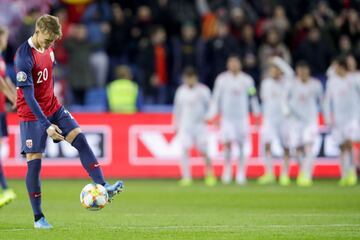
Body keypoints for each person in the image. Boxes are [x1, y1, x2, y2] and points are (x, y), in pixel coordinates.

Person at [14, 14, 123, 229]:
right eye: (47, 40)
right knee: (34, 162)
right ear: (38, 31)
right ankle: (38, 218)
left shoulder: (50, 50)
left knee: (80, 139)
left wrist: (55, 107)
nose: (50, 44)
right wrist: (47, 126)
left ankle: (103, 186)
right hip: (32, 115)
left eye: (53, 40)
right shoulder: (23, 56)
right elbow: (29, 96)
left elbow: (48, 82)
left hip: (54, 107)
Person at [207, 55, 260, 185]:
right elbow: (216, 98)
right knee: (226, 145)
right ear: (228, 64)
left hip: (242, 117)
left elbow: (252, 97)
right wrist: (213, 114)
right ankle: (227, 171)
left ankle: (241, 173)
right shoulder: (221, 79)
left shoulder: (247, 80)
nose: (234, 65)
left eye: (236, 63)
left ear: (240, 64)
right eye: (231, 63)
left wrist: (257, 113)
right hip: (227, 118)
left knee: (242, 145)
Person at [173, 67, 216, 187]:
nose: (189, 80)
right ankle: (186, 177)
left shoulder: (203, 90)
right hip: (186, 126)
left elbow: (212, 106)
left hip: (200, 127)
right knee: (185, 150)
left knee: (204, 151)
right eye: (187, 78)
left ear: (196, 78)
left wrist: (208, 116)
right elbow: (177, 109)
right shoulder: (181, 91)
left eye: (191, 78)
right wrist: (175, 125)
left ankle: (209, 174)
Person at [257, 57, 294, 186]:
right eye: (272, 69)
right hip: (269, 119)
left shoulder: (287, 82)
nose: (274, 72)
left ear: (280, 71)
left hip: (284, 120)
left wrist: (277, 61)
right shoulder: (266, 83)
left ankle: (285, 174)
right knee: (266, 145)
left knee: (286, 147)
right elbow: (264, 100)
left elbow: (290, 73)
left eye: (276, 69)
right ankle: (269, 173)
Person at [287, 61, 323, 186]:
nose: (302, 73)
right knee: (295, 149)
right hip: (295, 122)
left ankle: (307, 175)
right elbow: (284, 99)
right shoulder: (292, 85)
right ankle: (303, 170)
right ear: (297, 71)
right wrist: (286, 112)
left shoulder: (316, 85)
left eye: (305, 70)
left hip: (310, 121)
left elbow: (322, 100)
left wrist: (322, 114)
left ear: (309, 71)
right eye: (300, 70)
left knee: (309, 147)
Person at [324, 57, 358, 186]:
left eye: (336, 67)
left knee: (349, 143)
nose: (334, 69)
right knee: (341, 147)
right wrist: (327, 117)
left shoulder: (354, 79)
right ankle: (344, 174)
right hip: (338, 120)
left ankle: (353, 172)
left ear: (342, 67)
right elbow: (326, 101)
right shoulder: (332, 82)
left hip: (352, 118)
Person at [0, 26, 17, 208]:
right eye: (4, 37)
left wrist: (15, 96)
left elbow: (7, 81)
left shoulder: (2, 59)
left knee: (3, 146)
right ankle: (5, 189)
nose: (6, 42)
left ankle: (5, 189)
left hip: (1, 111)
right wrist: (13, 98)